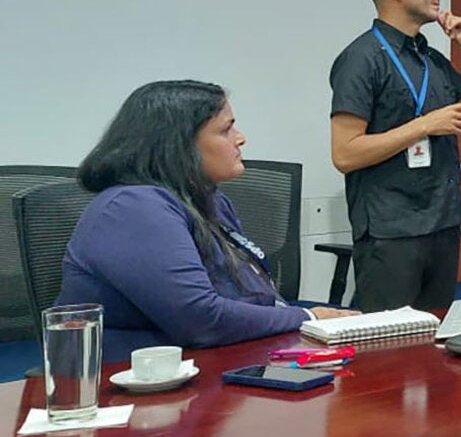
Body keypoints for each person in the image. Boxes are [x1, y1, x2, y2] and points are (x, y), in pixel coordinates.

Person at [55, 81, 359, 363]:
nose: (241, 138)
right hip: (129, 385)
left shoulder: (206, 198)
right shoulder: (132, 208)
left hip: (211, 362)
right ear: (178, 145)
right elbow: (199, 319)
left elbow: (245, 294)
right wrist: (309, 316)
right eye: (226, 130)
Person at [330, 0, 461, 317]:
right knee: (389, 355)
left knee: (433, 348)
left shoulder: (431, 59)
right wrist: (425, 125)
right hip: (391, 232)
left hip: (442, 225)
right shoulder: (362, 59)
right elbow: (345, 154)